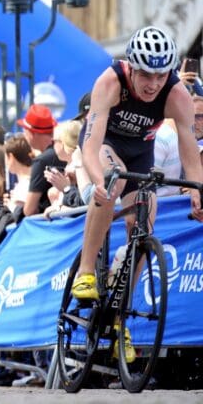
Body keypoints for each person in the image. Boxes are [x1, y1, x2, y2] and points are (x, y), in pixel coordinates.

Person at [72, 26, 203, 362]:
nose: (153, 84)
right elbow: (90, 142)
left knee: (146, 218)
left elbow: (191, 152)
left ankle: (120, 316)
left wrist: (197, 192)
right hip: (105, 145)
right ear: (131, 66)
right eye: (146, 74)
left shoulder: (176, 94)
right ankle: (87, 271)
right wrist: (98, 180)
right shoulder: (110, 82)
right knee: (111, 184)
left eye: (161, 75)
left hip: (141, 152)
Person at [17, 104, 65, 217]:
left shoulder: (41, 161)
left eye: (25, 131)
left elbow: (29, 210)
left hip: (49, 226)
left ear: (31, 133)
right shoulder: (66, 151)